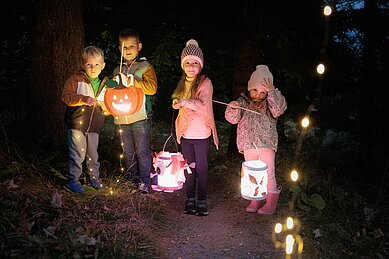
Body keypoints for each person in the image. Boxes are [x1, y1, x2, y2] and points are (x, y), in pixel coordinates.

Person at [225, 65, 287, 215]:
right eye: (255, 90)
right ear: (249, 88)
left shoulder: (269, 104)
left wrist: (272, 92)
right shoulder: (243, 101)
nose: (258, 95)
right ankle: (256, 197)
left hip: (266, 144)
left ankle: (271, 201)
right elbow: (232, 120)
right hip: (248, 144)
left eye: (263, 92)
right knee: (252, 172)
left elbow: (279, 109)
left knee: (268, 173)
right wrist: (232, 108)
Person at [172, 39, 219, 216]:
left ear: (200, 65)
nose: (191, 67)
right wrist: (177, 102)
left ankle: (202, 200)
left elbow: (202, 105)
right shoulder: (182, 83)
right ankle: (190, 198)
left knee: (202, 168)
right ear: (183, 65)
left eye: (195, 63)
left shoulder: (205, 83)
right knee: (189, 167)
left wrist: (185, 102)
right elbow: (179, 102)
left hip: (201, 134)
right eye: (187, 63)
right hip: (186, 134)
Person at [112, 28, 158, 194]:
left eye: (131, 46)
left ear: (139, 47)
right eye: (124, 47)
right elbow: (111, 93)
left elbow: (152, 88)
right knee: (128, 151)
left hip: (141, 117)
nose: (128, 50)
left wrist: (134, 82)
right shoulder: (117, 71)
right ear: (119, 49)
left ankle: (145, 182)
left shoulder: (145, 67)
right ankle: (131, 180)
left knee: (142, 151)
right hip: (122, 118)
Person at [61, 46, 108, 194]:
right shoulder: (75, 79)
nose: (93, 68)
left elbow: (108, 105)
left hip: (94, 127)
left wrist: (107, 108)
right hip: (77, 125)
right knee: (77, 154)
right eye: (89, 64)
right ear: (83, 65)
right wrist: (83, 99)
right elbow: (66, 97)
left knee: (93, 154)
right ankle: (73, 181)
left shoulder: (105, 85)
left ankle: (94, 179)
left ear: (103, 66)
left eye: (96, 65)